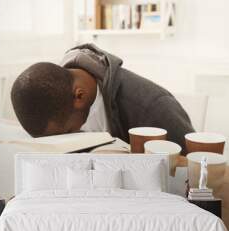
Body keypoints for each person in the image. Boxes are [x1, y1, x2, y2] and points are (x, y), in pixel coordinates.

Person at [11, 43, 194, 152]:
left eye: (67, 132)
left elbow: (195, 170)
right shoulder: (59, 91)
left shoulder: (153, 107)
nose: (66, 139)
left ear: (79, 97)